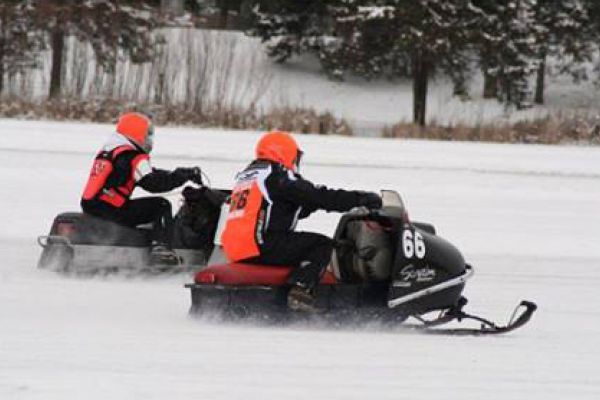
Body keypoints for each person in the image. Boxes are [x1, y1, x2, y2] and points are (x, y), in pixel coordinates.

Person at [221, 130, 382, 312]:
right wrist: (360, 199)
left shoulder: (249, 176)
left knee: (297, 244)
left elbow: (281, 210)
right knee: (322, 245)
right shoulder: (277, 175)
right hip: (264, 245)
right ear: (285, 153)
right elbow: (319, 196)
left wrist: (313, 203)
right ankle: (300, 290)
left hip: (237, 248)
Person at [81, 112, 201, 265]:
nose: (149, 139)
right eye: (147, 134)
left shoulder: (111, 151)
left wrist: (179, 173)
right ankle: (161, 249)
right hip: (112, 209)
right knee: (161, 205)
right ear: (137, 132)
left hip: (93, 205)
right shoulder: (133, 155)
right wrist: (181, 177)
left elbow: (148, 173)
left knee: (142, 207)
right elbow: (153, 183)